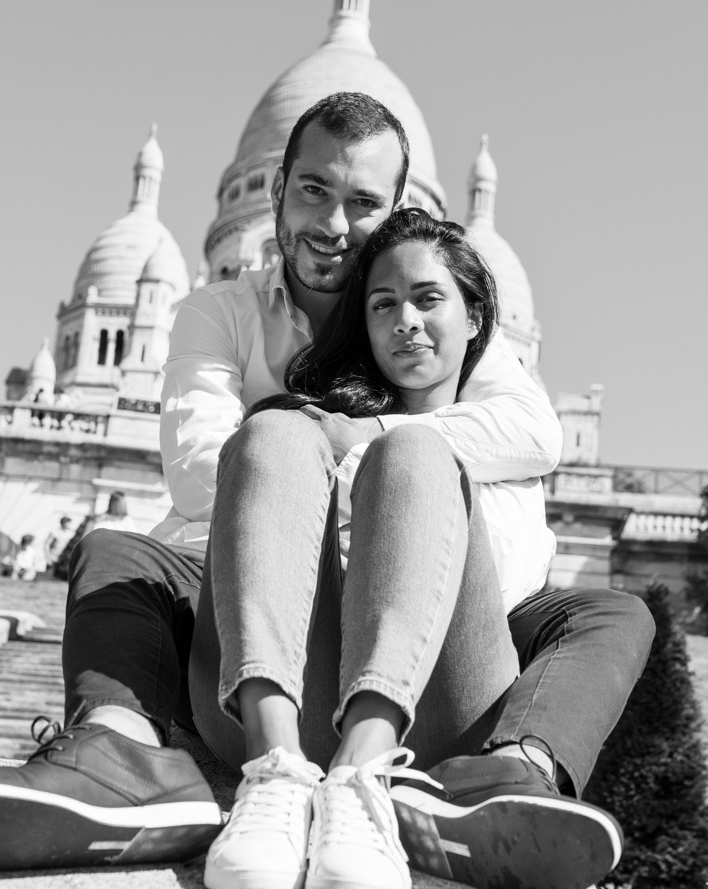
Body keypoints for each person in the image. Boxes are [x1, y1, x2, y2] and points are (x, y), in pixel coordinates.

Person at [0, 93, 654, 881]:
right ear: (276, 187)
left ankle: (503, 772)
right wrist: (319, 455)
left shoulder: (442, 329)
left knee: (604, 604)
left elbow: (536, 432)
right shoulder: (224, 312)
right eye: (315, 189)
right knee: (128, 541)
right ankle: (124, 749)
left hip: (435, 655)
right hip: (260, 630)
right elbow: (201, 471)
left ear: (474, 312)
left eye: (365, 203)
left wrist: (376, 447)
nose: (336, 224)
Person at [196, 208, 623, 889]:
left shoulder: (510, 434)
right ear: (361, 324)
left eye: (428, 299)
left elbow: (509, 595)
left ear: (479, 318)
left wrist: (374, 447)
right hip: (297, 694)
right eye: (382, 304)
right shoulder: (313, 423)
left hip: (440, 710)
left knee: (419, 455)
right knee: (272, 430)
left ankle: (367, 776)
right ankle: (272, 775)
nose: (406, 321)